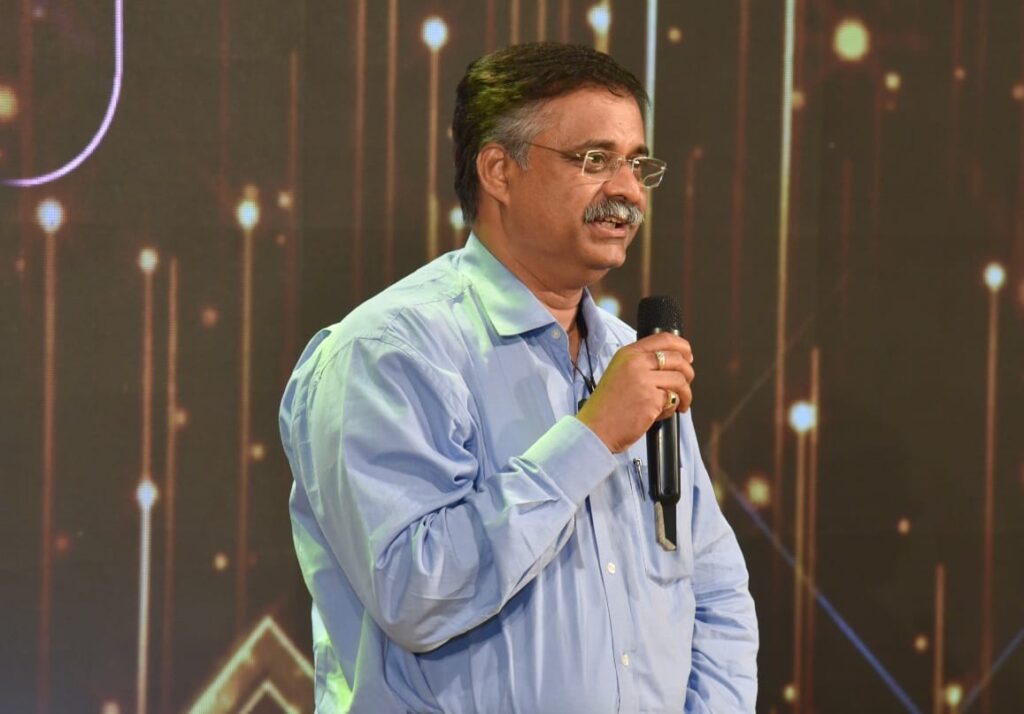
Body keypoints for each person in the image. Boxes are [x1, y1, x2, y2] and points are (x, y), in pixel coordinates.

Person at [280, 42, 758, 713]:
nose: (626, 191)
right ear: (499, 171)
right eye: (594, 160)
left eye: (636, 164)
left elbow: (712, 589)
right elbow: (415, 593)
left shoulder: (630, 355)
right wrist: (591, 438)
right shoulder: (388, 351)